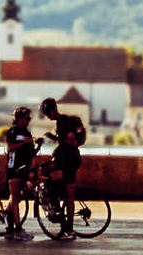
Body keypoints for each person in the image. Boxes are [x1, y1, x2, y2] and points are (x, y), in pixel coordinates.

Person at [39, 97, 86, 239]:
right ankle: (68, 227)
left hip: (67, 159)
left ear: (52, 111)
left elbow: (72, 140)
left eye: (48, 114)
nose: (48, 117)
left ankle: (53, 204)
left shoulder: (62, 122)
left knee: (44, 172)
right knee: (69, 195)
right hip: (72, 158)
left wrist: (55, 138)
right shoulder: (65, 121)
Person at [3, 106, 35, 242]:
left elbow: (31, 153)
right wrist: (24, 142)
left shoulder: (27, 133)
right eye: (27, 118)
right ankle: (17, 229)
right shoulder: (12, 131)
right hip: (14, 168)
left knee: (17, 197)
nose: (28, 121)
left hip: (24, 169)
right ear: (20, 119)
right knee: (15, 198)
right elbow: (10, 147)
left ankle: (9, 227)